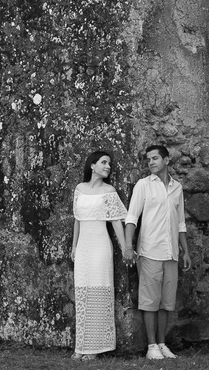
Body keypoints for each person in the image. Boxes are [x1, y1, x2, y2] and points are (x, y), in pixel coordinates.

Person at [124, 144, 190, 360]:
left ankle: (162, 344)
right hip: (150, 250)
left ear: (166, 160)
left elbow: (180, 223)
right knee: (149, 301)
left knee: (166, 302)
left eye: (155, 158)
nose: (151, 162)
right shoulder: (143, 185)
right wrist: (128, 246)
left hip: (171, 253)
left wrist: (185, 251)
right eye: (148, 159)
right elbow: (132, 218)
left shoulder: (177, 188)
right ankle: (151, 346)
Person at [71, 149, 134, 359]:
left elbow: (116, 221)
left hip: (100, 246)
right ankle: (81, 346)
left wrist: (126, 247)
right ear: (92, 165)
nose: (107, 166)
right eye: (103, 162)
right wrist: (74, 246)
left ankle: (95, 348)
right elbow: (77, 220)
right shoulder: (79, 189)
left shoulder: (109, 191)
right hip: (83, 246)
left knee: (98, 292)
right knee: (82, 293)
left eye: (109, 163)